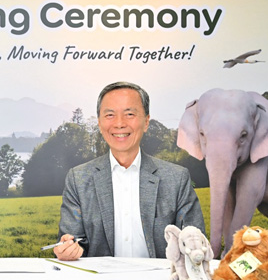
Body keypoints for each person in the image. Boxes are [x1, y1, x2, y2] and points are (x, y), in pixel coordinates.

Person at [54, 81, 205, 260]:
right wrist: (68, 249)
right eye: (110, 115)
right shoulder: (78, 179)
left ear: (146, 122)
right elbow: (72, 240)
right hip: (101, 277)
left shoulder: (176, 178)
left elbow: (196, 242)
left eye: (129, 114)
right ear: (100, 123)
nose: (119, 123)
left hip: (160, 277)